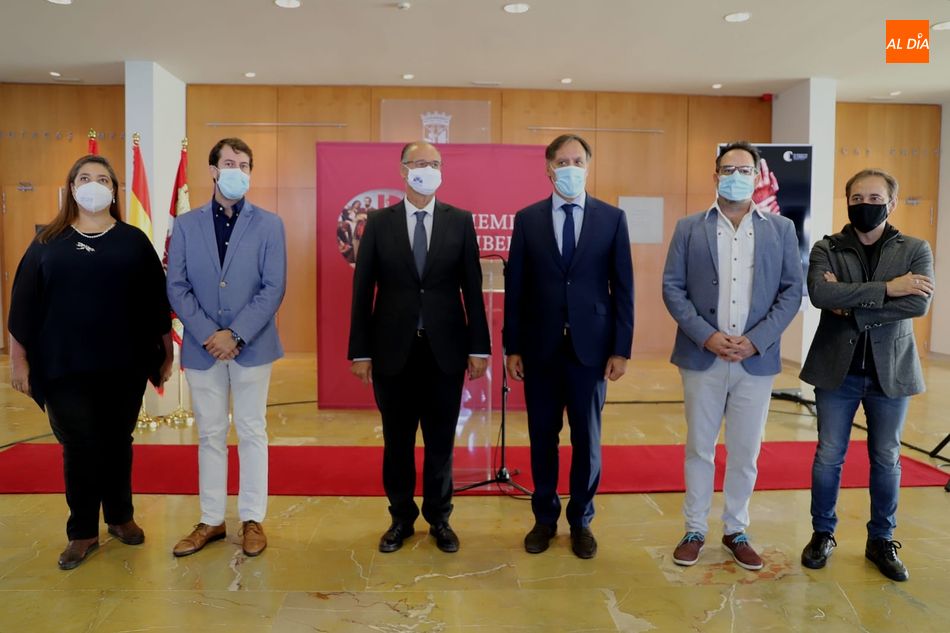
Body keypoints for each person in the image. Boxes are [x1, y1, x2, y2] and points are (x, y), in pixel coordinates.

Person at [8, 154, 173, 570]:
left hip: (125, 363)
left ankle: (120, 517)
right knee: (79, 446)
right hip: (63, 366)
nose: (94, 184)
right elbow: (23, 307)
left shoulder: (134, 240)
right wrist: (18, 362)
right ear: (72, 187)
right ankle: (82, 532)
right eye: (85, 177)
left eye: (102, 178)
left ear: (114, 190)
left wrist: (166, 353)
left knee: (119, 441)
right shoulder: (47, 241)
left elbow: (157, 303)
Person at [662, 141, 802, 571]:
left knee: (745, 451)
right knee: (700, 448)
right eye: (728, 168)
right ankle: (694, 529)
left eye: (744, 169)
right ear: (715, 174)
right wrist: (707, 336)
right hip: (703, 356)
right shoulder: (690, 227)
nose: (736, 175)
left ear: (758, 174)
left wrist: (756, 339)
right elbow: (673, 287)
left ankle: (736, 529)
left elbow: (792, 290)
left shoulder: (781, 229)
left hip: (754, 360)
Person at [348, 141, 490, 554]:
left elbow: (472, 289)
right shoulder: (378, 222)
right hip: (392, 351)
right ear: (402, 170)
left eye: (433, 163)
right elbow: (363, 291)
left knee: (441, 443)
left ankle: (440, 519)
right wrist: (361, 351)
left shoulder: (459, 221)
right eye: (418, 163)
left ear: (442, 171)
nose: (426, 169)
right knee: (397, 442)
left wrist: (478, 347)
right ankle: (400, 519)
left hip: (445, 351)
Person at [799, 168, 934, 582]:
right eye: (858, 198)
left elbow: (919, 306)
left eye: (875, 199)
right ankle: (822, 533)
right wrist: (889, 289)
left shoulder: (915, 248)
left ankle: (881, 539)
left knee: (887, 457)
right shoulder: (827, 247)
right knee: (828, 456)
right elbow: (821, 294)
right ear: (847, 201)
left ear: (891, 204)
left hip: (890, 371)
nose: (866, 205)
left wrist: (852, 306)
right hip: (836, 371)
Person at [504, 134, 634, 559]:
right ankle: (544, 519)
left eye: (578, 160)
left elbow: (623, 288)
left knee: (587, 439)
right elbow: (516, 288)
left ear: (589, 166)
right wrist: (512, 346)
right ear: (548, 168)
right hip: (540, 349)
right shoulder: (527, 219)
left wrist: (621, 348)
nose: (571, 168)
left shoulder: (612, 219)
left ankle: (581, 521)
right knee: (543, 437)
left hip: (591, 351)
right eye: (563, 161)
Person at [166, 138, 287, 558]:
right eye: (230, 163)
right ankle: (212, 519)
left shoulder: (270, 225)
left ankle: (252, 517)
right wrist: (207, 334)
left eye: (245, 164)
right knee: (211, 434)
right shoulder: (185, 224)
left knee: (253, 430)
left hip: (252, 346)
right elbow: (176, 286)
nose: (238, 170)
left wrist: (234, 335)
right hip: (203, 348)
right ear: (213, 170)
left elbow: (274, 288)